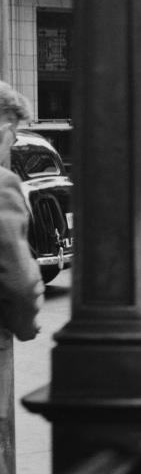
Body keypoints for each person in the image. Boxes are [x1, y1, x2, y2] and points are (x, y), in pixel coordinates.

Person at [0, 80, 45, 366]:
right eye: (14, 134)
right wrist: (27, 324)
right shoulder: (3, 185)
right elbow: (19, 282)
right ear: (5, 129)